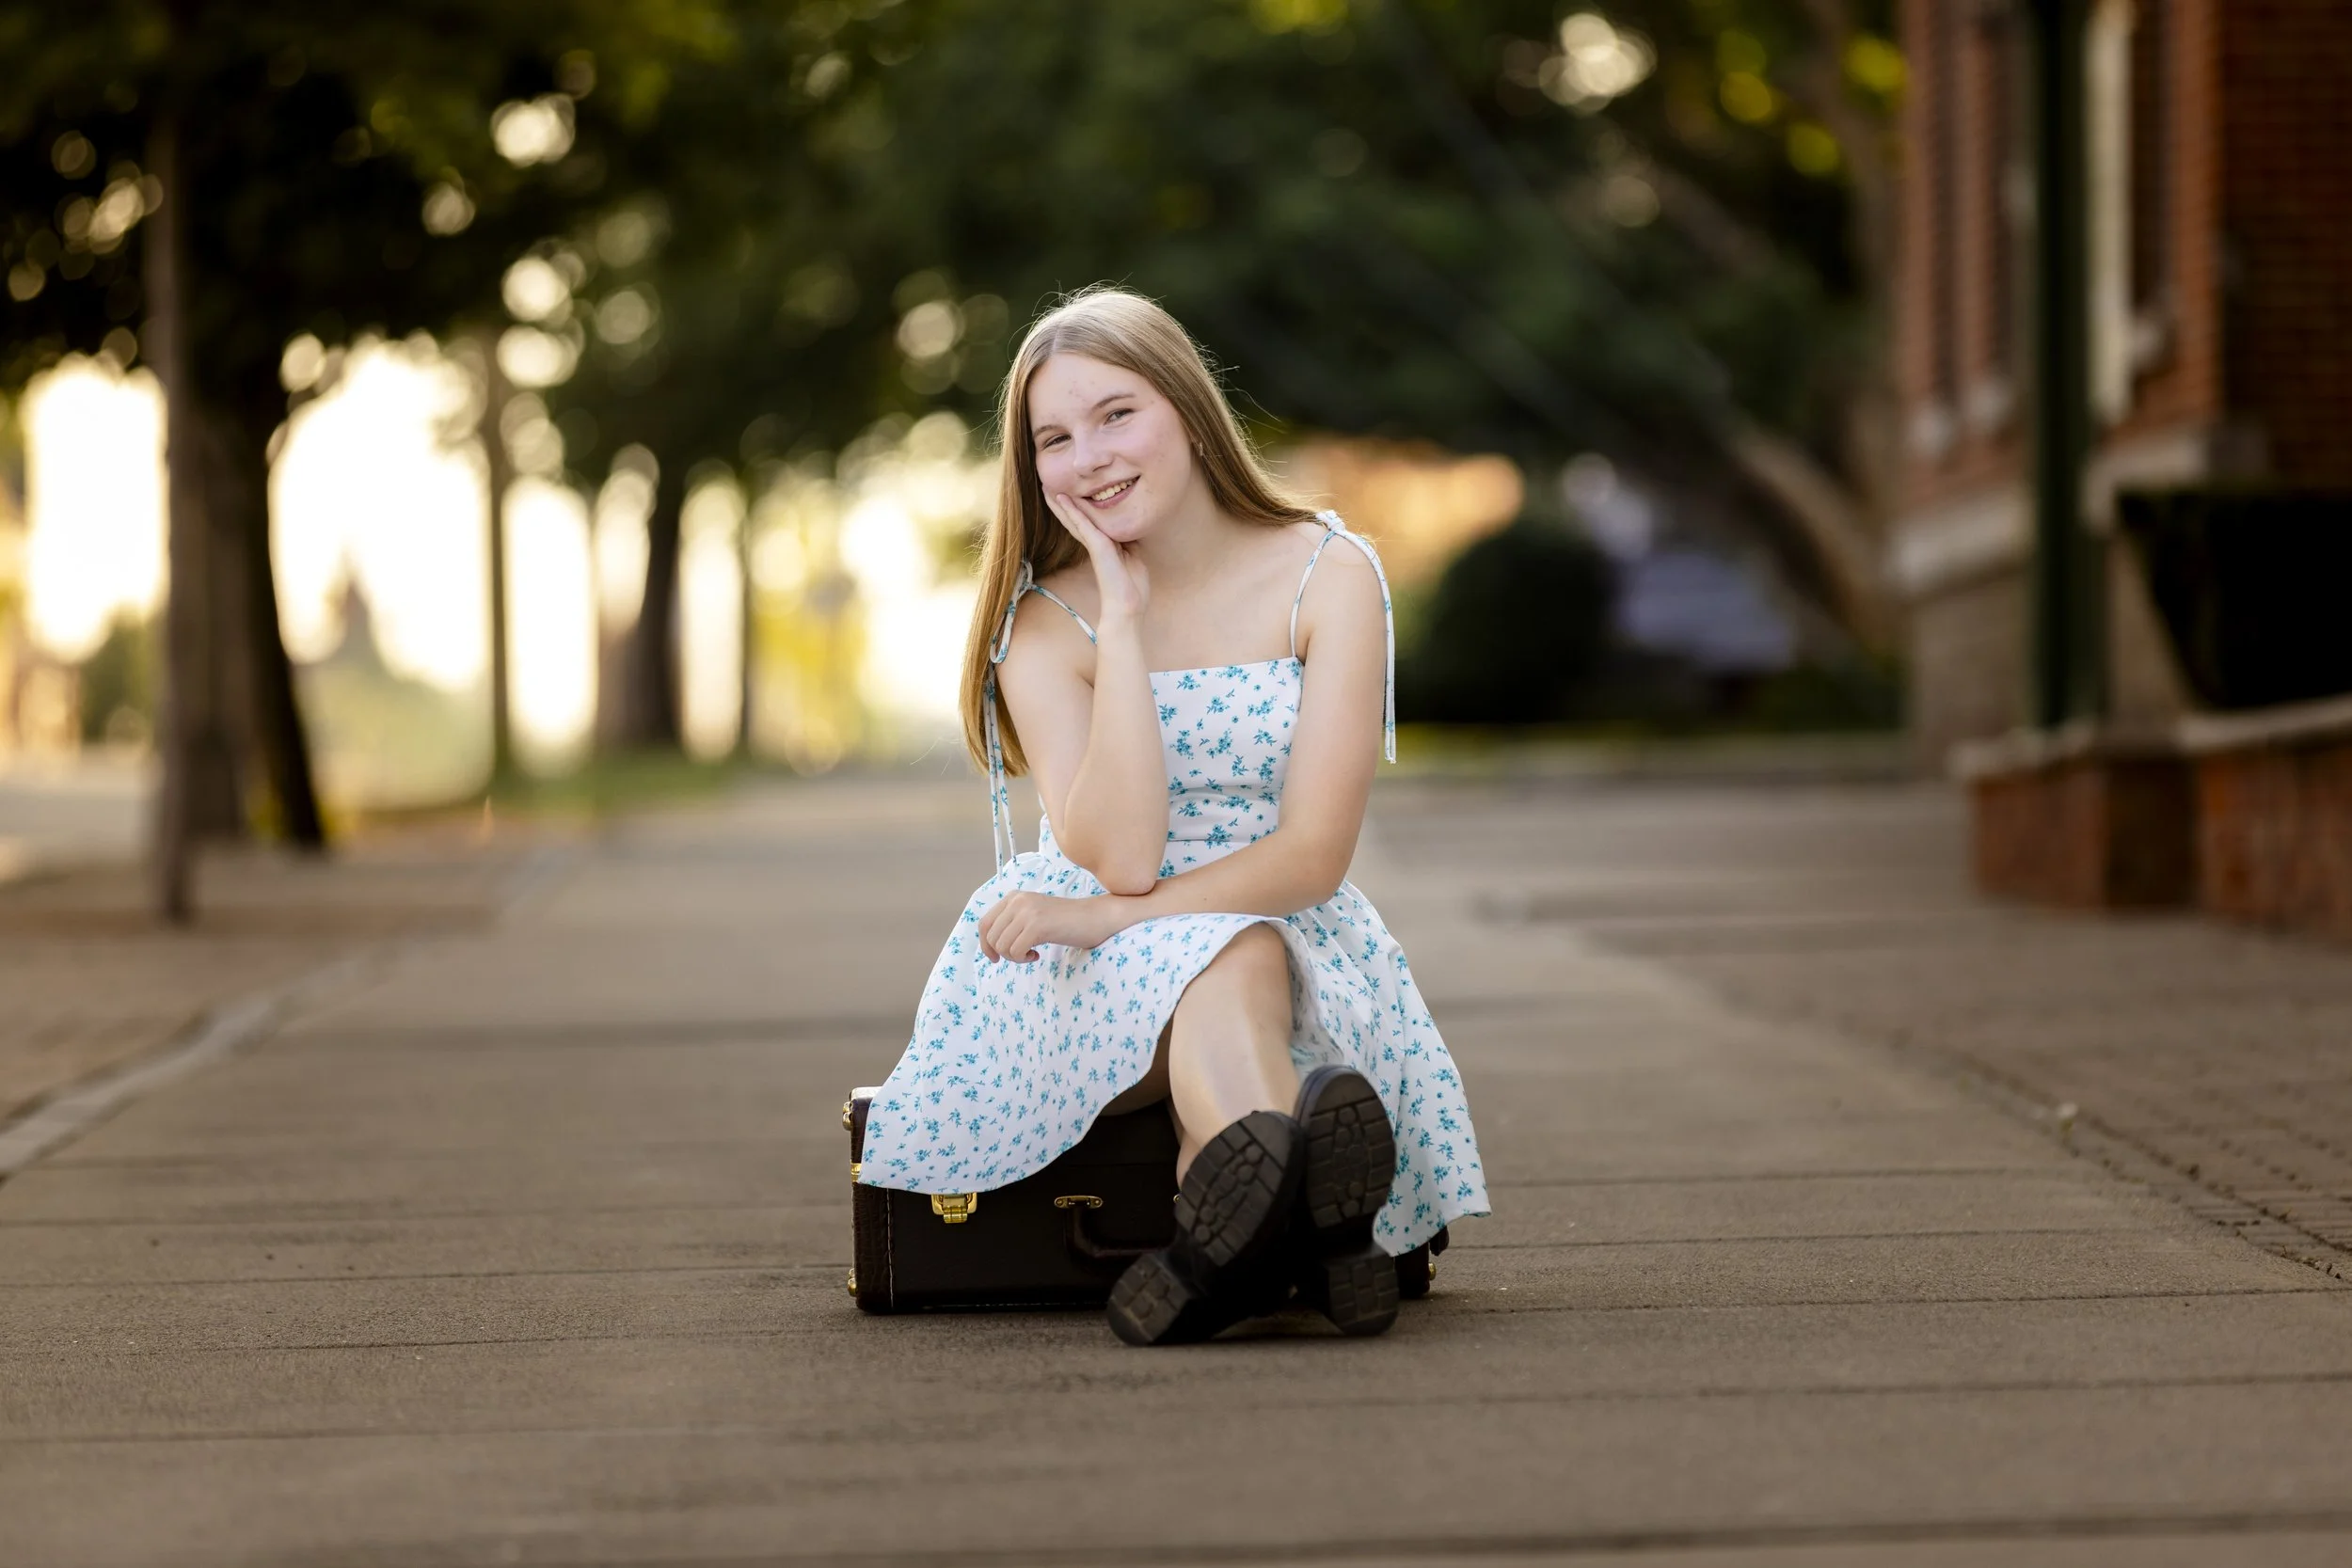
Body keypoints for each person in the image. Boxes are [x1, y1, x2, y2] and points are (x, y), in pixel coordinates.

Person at [858, 287, 1488, 1344]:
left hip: (1271, 920)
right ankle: (1305, 1217)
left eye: (1116, 414)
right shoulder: (1046, 623)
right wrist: (1128, 622)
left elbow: (1312, 855)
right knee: (1217, 953)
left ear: (1189, 411)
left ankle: (1225, 1244)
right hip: (1079, 958)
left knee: (1235, 953)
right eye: (1053, 438)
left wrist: (1119, 918)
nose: (1088, 455)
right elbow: (1120, 855)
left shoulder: (1328, 573)